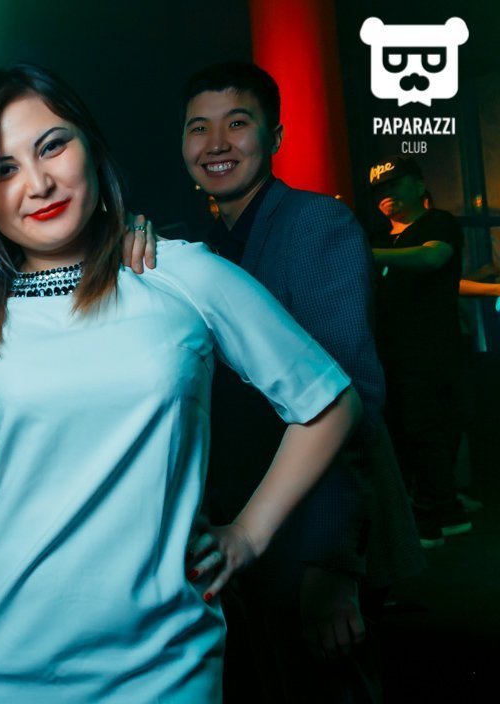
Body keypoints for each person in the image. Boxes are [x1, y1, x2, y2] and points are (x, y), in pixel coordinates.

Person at [0, 63, 360, 703]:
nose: (39, 182)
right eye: (3, 169)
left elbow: (329, 402)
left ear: (90, 146)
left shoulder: (179, 273)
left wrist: (248, 534)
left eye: (52, 146)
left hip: (166, 661)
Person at [180, 62, 424, 702]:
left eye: (237, 124)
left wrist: (331, 566)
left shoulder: (315, 224)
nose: (216, 144)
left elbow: (351, 400)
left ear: (276, 137)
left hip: (314, 533)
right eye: (198, 128)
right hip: (247, 528)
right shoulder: (207, 247)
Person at [368, 154, 471, 543]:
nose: (385, 194)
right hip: (388, 355)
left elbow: (433, 257)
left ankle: (434, 514)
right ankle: (440, 509)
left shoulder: (437, 223)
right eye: (379, 189)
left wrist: (364, 255)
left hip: (431, 352)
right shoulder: (377, 237)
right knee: (404, 433)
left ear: (418, 185)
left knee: (426, 430)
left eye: (393, 184)